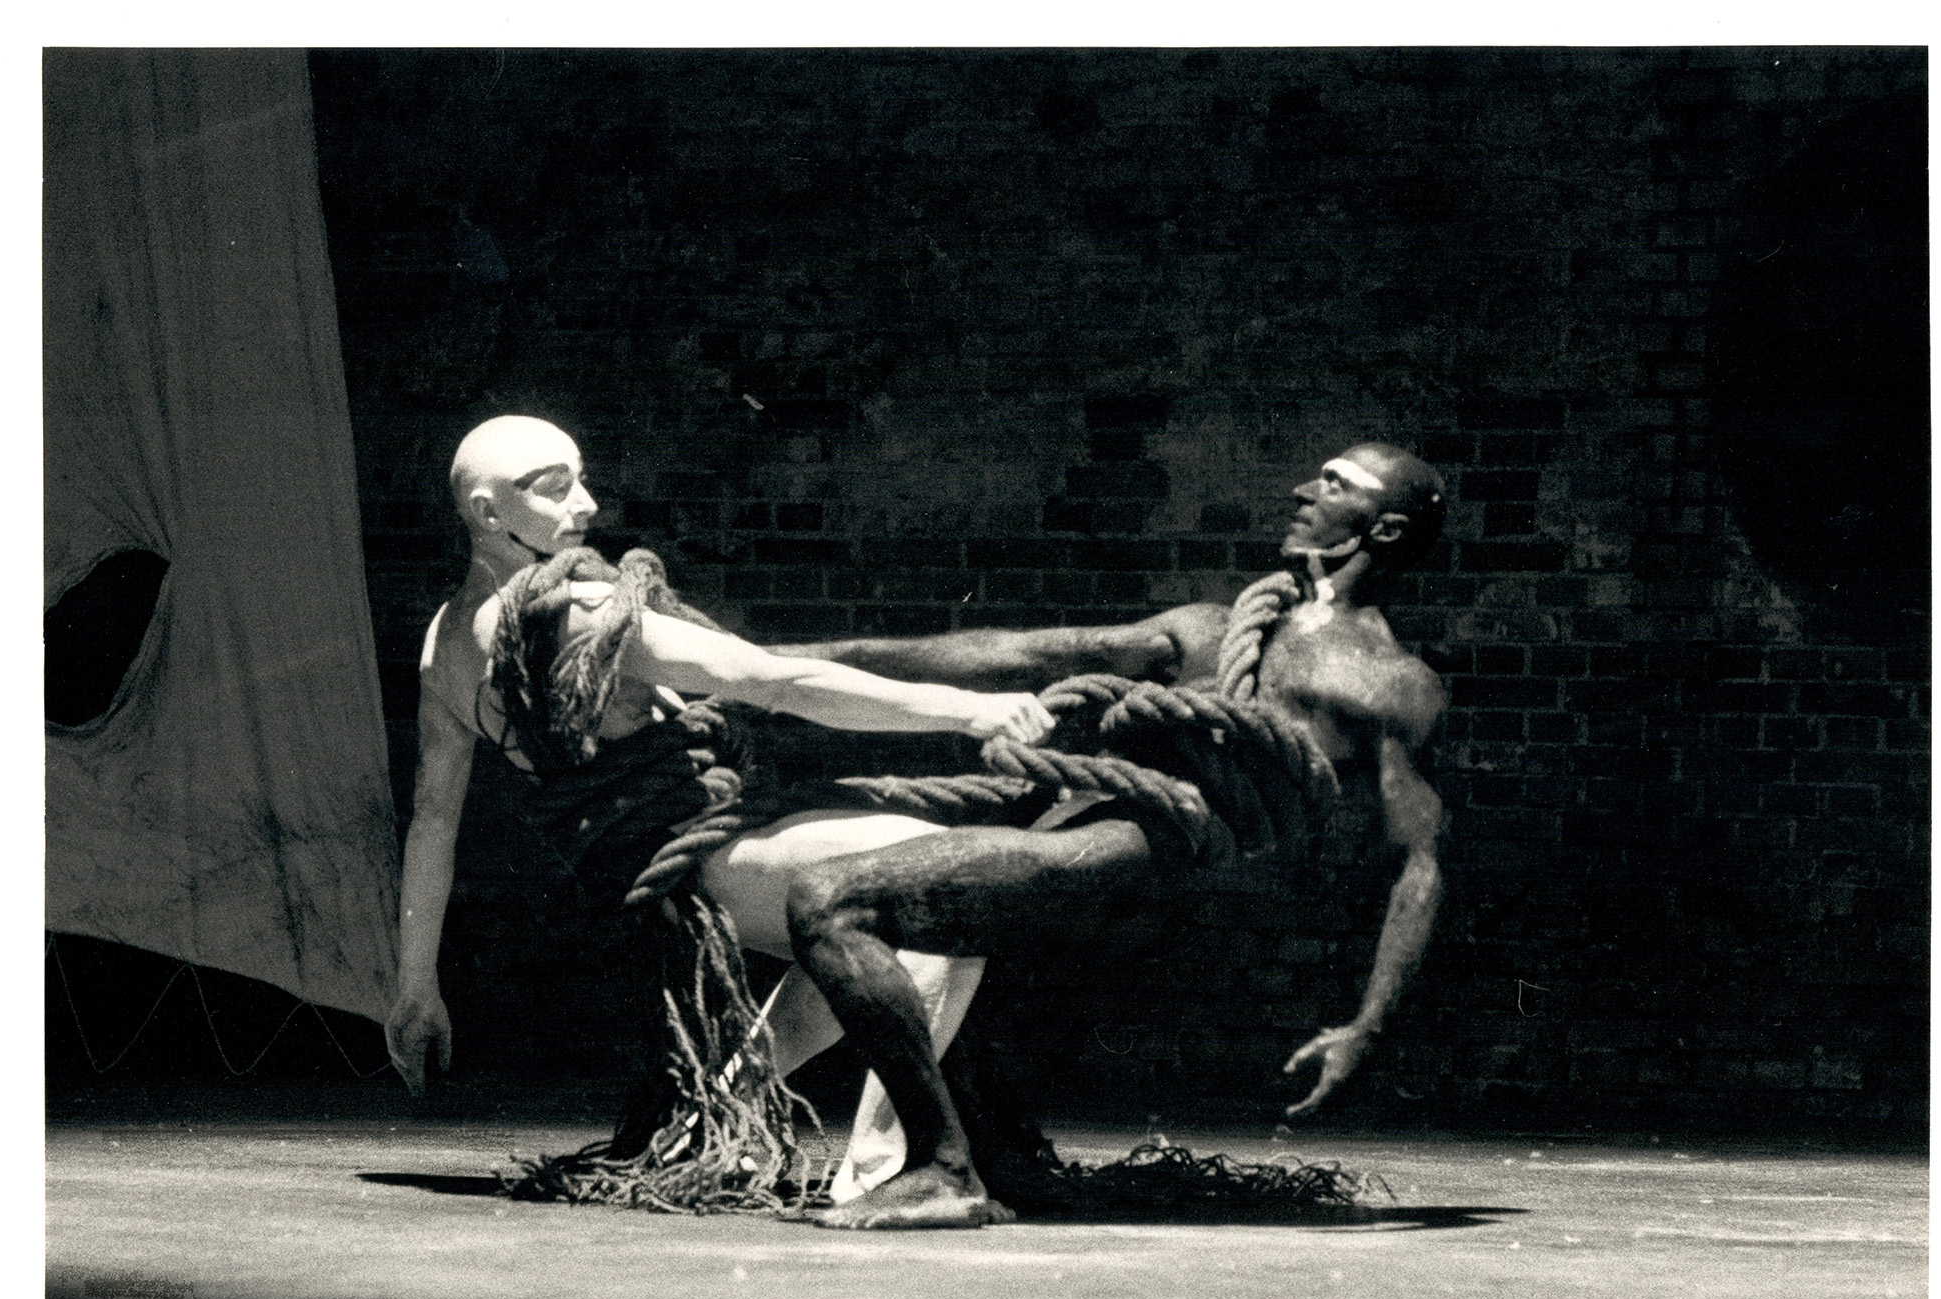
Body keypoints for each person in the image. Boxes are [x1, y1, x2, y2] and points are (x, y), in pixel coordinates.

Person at [769, 443, 1450, 1228]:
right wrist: (771, 667)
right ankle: (994, 1154)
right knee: (937, 917)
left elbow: (1421, 859)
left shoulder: (1391, 683)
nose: (1303, 490)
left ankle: (940, 1168)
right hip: (1091, 844)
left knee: (830, 900)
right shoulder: (1212, 630)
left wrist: (1369, 1026)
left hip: (1141, 863)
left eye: (1334, 484)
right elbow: (1015, 654)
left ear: (1384, 529)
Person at [383, 416, 1054, 1108]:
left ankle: (722, 1113)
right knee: (949, 889)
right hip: (704, 858)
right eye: (555, 489)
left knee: (870, 935)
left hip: (638, 877)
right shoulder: (579, 614)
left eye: (581, 480)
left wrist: (414, 987)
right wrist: (967, 709)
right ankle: (881, 1157)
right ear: (489, 512)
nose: (586, 504)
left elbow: (432, 822)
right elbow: (775, 681)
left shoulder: (442, 645)